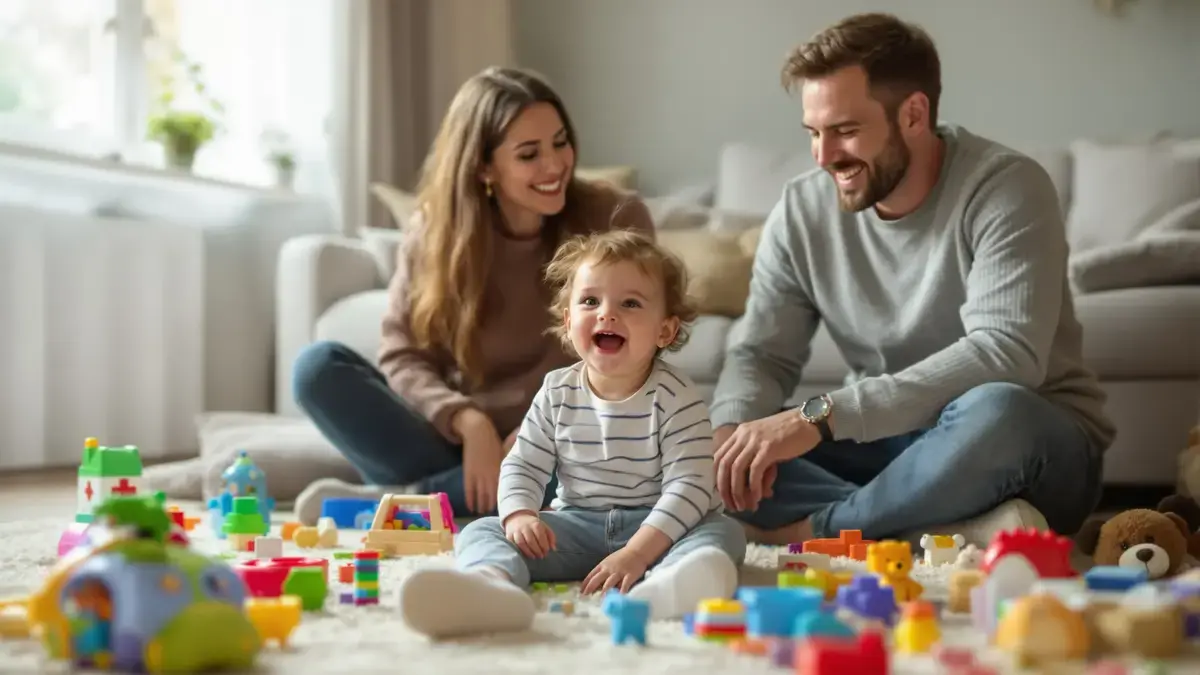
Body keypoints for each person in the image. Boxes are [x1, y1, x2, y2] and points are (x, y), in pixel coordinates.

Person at [709, 13, 1115, 549]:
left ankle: (820, 529)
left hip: (1019, 442)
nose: (824, 157)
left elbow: (1006, 352)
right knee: (728, 449)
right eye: (814, 133)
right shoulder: (801, 210)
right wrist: (726, 440)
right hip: (884, 446)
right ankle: (942, 526)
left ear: (914, 114)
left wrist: (823, 415)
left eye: (846, 131)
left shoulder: (1007, 187)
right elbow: (761, 353)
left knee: (999, 410)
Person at [290, 66, 655, 524]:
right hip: (461, 443)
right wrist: (468, 421)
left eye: (561, 142)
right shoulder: (434, 233)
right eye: (529, 154)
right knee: (317, 369)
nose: (555, 165)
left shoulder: (617, 215)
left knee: (610, 476)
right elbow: (403, 354)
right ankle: (466, 492)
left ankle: (405, 501)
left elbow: (635, 350)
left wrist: (536, 431)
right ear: (484, 167)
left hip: (565, 437)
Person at [396, 229, 746, 639]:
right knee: (483, 529)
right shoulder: (557, 390)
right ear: (568, 322)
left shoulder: (677, 396)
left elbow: (688, 488)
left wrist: (637, 554)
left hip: (658, 530)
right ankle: (491, 586)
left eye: (630, 303)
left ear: (664, 332)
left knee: (723, 533)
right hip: (578, 525)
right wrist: (521, 514)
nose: (607, 314)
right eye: (590, 301)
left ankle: (668, 588)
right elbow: (523, 463)